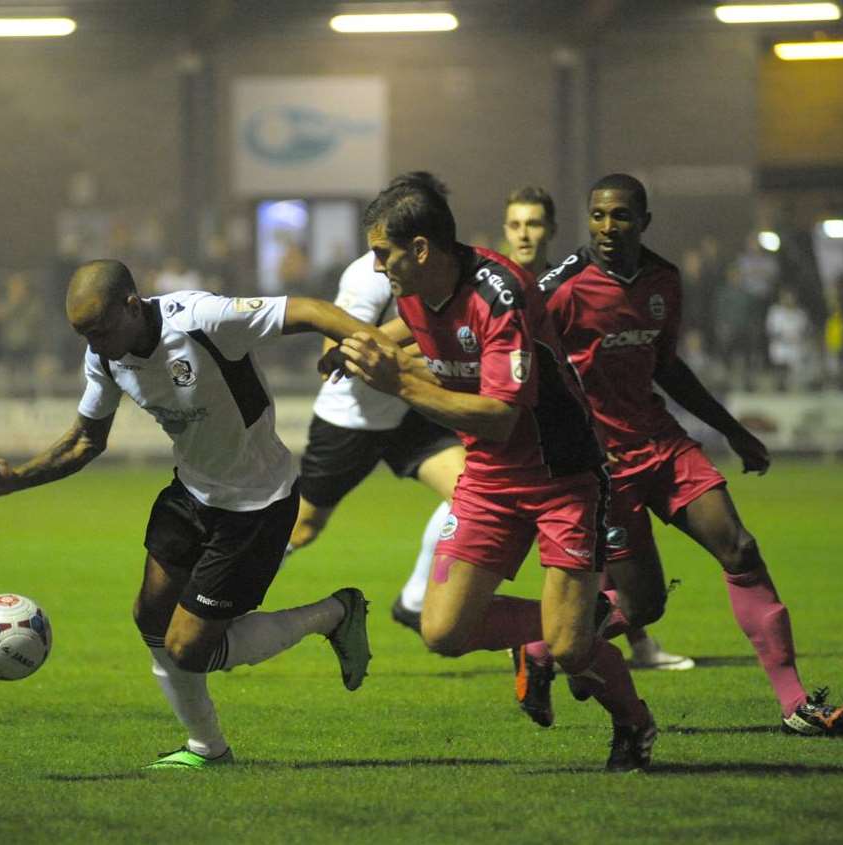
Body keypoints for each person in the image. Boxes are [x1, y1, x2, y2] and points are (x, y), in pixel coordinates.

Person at [0, 259, 376, 770]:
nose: (94, 344)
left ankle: (335, 614)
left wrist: (371, 346)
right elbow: (86, 440)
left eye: (100, 330)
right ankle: (208, 750)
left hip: (256, 505)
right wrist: (17, 480)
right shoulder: (106, 357)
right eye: (83, 335)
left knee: (187, 649)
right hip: (191, 493)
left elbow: (310, 309)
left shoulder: (203, 318)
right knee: (150, 618)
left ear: (131, 306)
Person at [521, 173, 843, 736]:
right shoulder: (562, 287)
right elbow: (517, 355)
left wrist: (732, 430)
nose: (609, 227)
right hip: (604, 468)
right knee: (644, 603)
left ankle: (795, 703)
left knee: (741, 547)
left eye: (622, 216)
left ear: (645, 221)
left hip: (662, 444)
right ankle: (540, 645)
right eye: (599, 216)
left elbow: (668, 368)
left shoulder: (664, 281)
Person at [337, 175, 657, 772]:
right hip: (488, 480)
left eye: (384, 252)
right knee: (442, 632)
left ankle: (633, 723)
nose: (377, 266)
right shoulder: (412, 288)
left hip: (559, 475)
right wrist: (362, 342)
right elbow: (420, 328)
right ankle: (577, 618)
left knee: (566, 651)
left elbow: (501, 416)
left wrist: (397, 380)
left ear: (423, 248)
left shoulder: (500, 293)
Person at [501, 187, 694, 703]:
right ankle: (567, 648)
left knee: (606, 563)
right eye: (516, 224)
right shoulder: (507, 288)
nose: (526, 234)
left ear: (554, 228)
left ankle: (591, 646)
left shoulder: (564, 284)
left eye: (536, 224)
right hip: (523, 453)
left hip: (581, 452)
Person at [290, 243, 466, 631]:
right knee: (303, 527)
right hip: (350, 422)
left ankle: (415, 600)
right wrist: (420, 360)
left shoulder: (445, 275)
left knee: (472, 491)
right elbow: (334, 356)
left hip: (408, 412)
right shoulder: (366, 277)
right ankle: (218, 607)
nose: (380, 261)